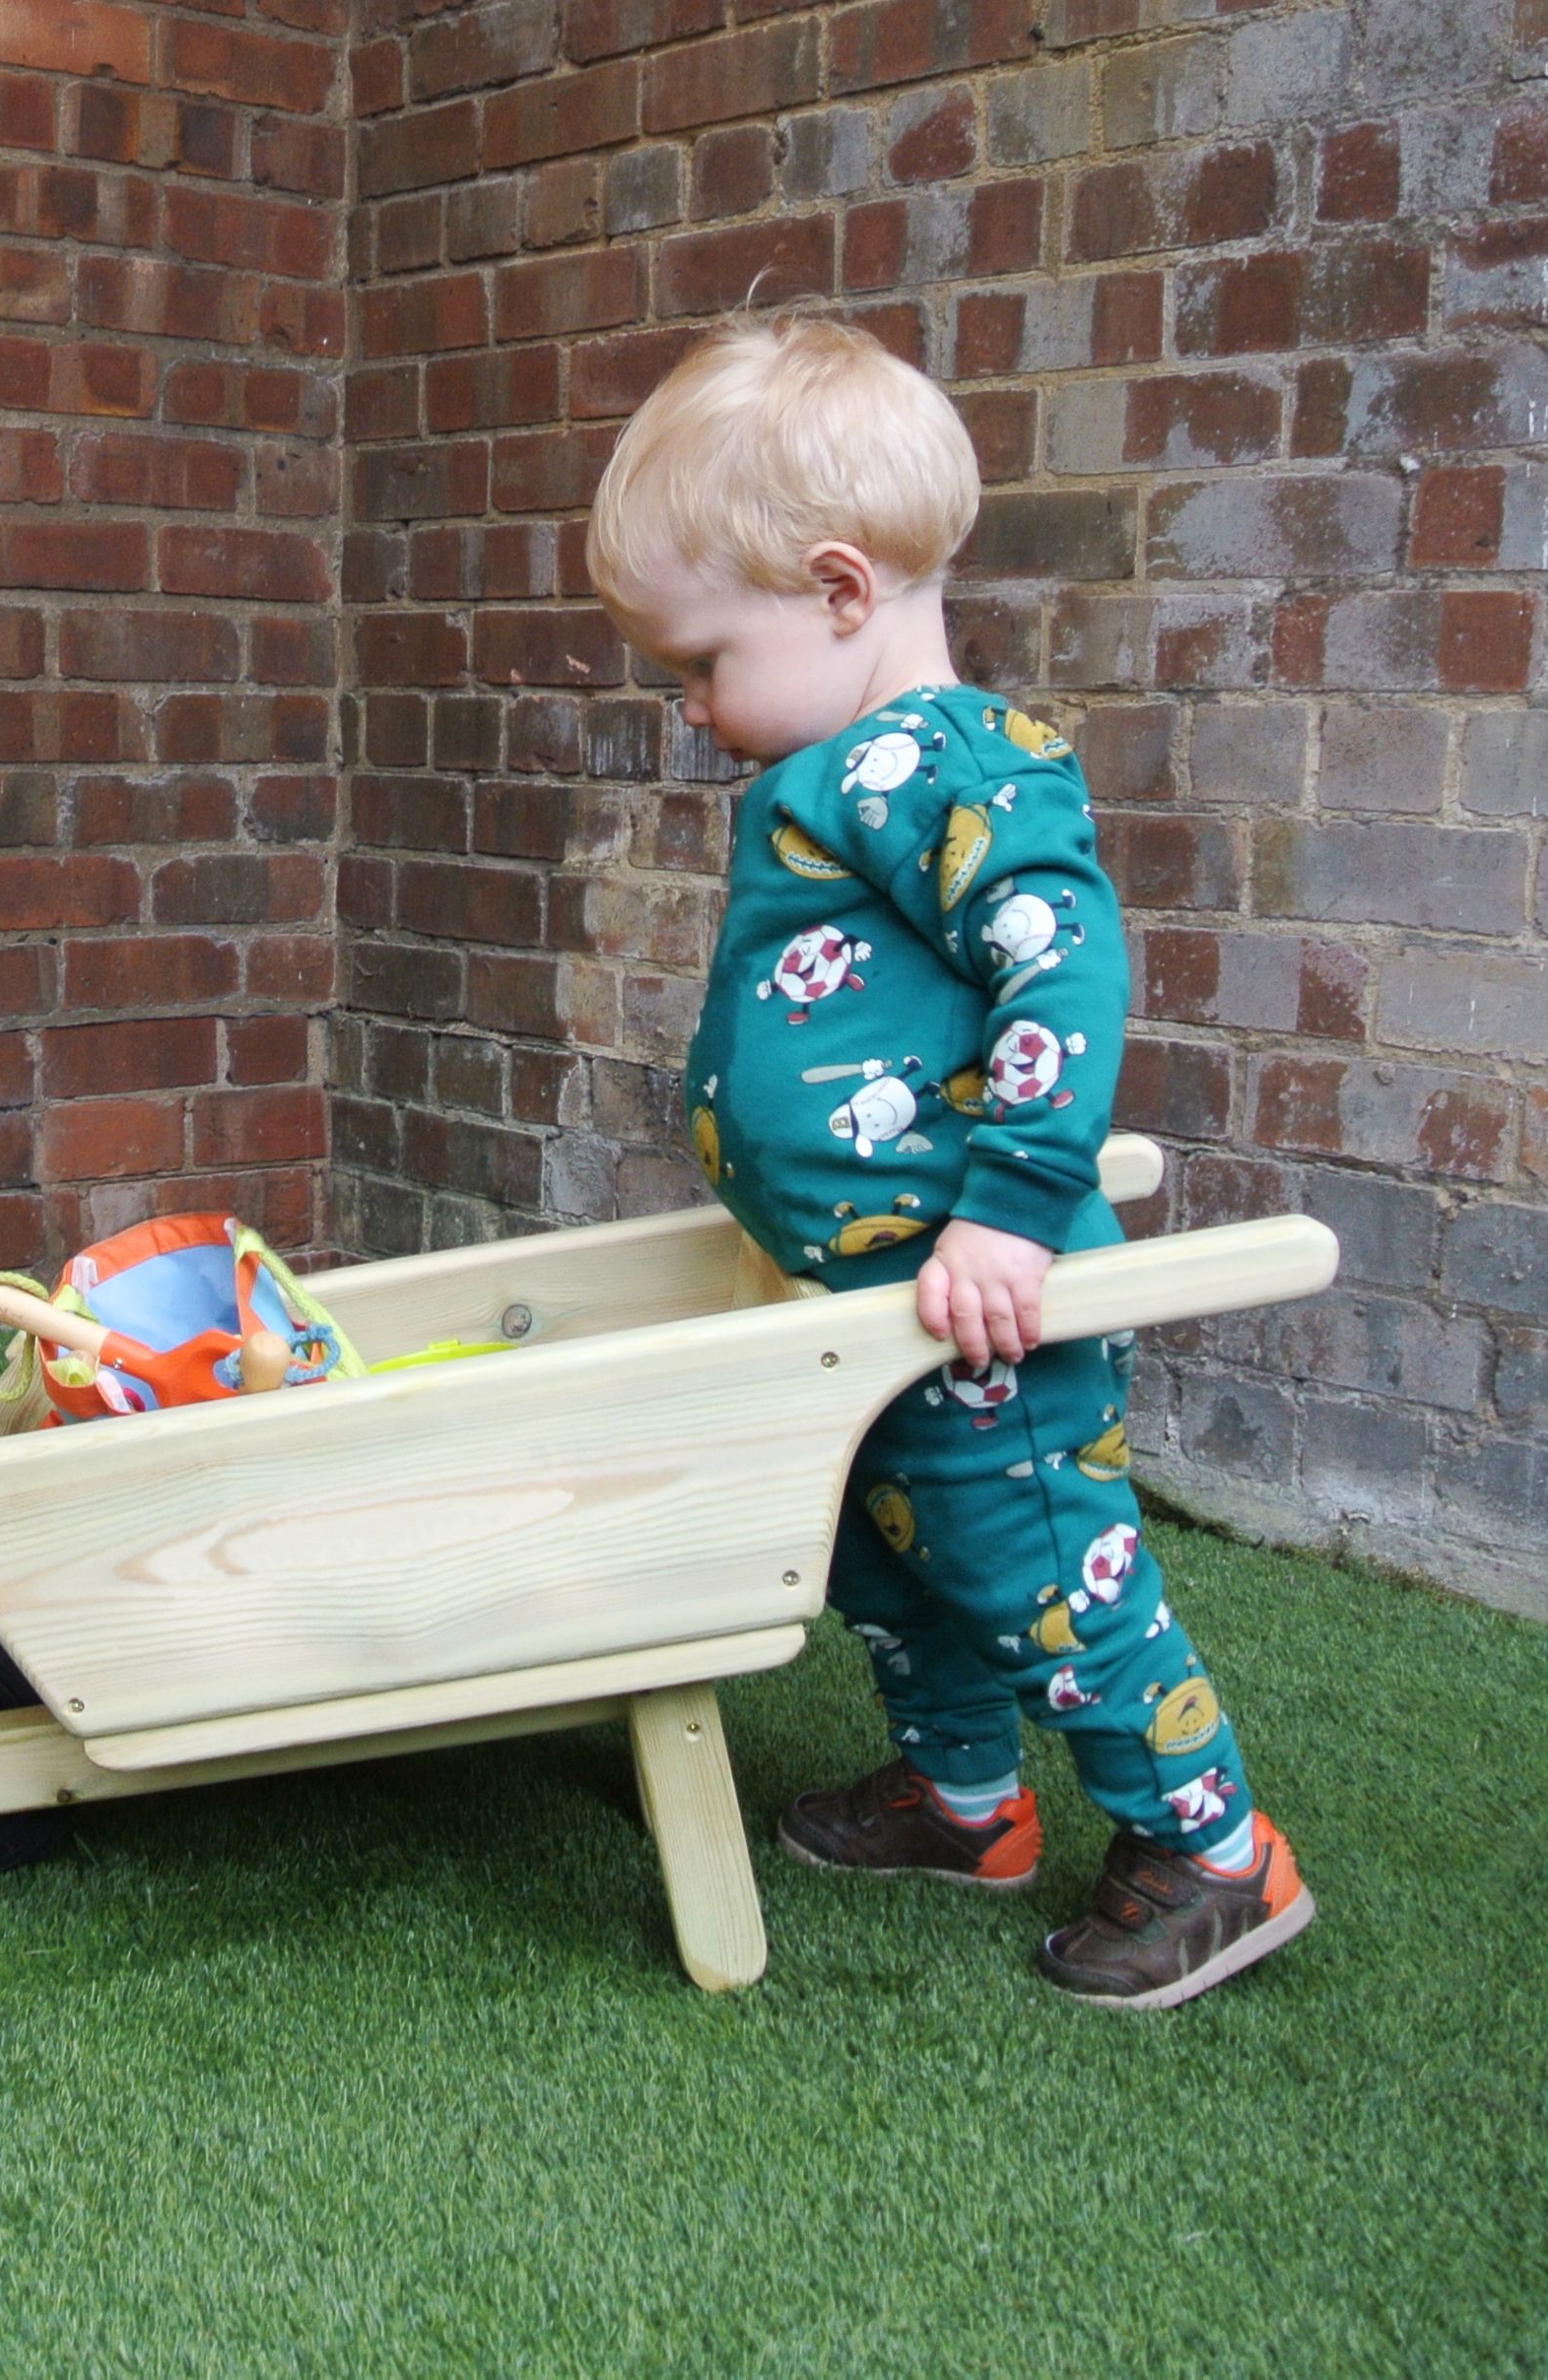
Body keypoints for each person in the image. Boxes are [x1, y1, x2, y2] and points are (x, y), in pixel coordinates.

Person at [583, 313, 1312, 2009]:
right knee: (882, 1555)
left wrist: (1003, 1214)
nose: (691, 710)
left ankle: (1212, 1848)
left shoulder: (941, 760)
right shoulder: (841, 764)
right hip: (867, 1300)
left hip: (972, 1301)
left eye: (698, 660)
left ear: (840, 593)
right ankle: (962, 1799)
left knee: (1039, 1567)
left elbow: (1062, 965)